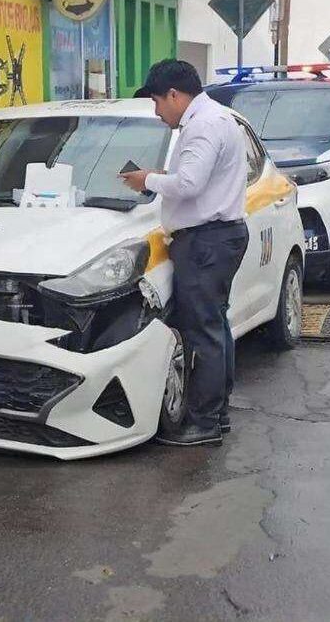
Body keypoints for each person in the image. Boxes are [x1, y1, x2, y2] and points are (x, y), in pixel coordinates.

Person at [121, 60, 248, 447]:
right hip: (218, 238)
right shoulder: (216, 119)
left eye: (158, 102)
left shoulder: (204, 125)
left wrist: (148, 180)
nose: (157, 112)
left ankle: (205, 421)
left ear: (175, 95)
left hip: (206, 241)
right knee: (216, 326)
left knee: (203, 332)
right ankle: (218, 413)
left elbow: (190, 184)